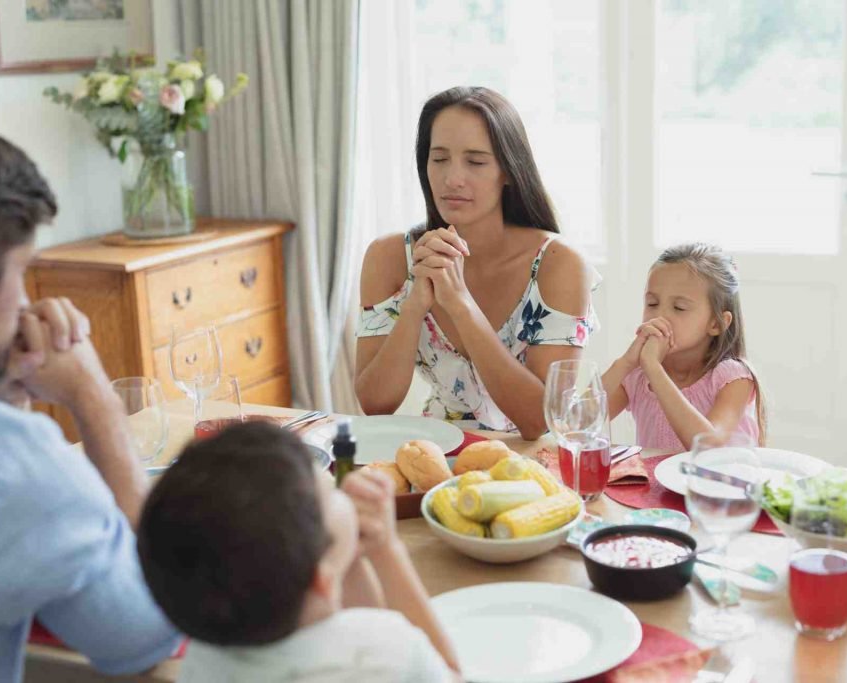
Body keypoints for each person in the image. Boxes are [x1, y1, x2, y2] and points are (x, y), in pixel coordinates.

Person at [0, 118, 180, 682]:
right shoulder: (12, 465)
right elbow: (152, 635)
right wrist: (92, 395)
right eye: (20, 272)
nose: (24, 301)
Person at [355, 86, 598, 440]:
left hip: (528, 466)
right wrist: (414, 305)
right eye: (439, 159)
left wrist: (460, 305)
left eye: (476, 161)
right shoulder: (389, 257)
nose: (452, 179)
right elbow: (375, 405)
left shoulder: (558, 264)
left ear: (509, 170)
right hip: (436, 454)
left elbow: (539, 420)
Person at [137, 421, 462, 682]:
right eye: (326, 491)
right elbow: (451, 673)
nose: (339, 488)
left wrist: (345, 557)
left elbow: (339, 610)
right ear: (320, 577)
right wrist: (388, 550)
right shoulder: (389, 651)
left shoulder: (206, 650)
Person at [600, 243, 766, 451]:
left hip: (719, 483)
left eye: (679, 308)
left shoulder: (733, 377)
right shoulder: (637, 376)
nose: (659, 316)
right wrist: (625, 363)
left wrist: (654, 368)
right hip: (657, 484)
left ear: (717, 323)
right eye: (652, 303)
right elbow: (575, 422)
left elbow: (707, 446)